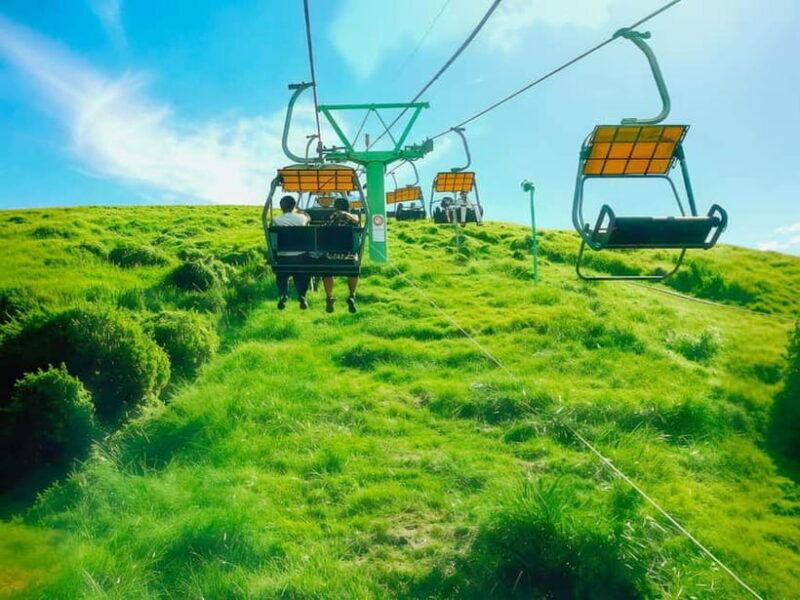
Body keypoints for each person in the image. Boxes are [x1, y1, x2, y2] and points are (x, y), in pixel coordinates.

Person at [272, 195, 311, 310]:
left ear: (281, 207)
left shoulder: (275, 220)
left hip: (282, 257)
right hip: (300, 257)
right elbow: (309, 218)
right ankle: (302, 295)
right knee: (303, 274)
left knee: (281, 275)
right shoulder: (301, 218)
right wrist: (300, 211)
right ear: (294, 206)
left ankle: (283, 294)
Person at [322, 197, 360, 314]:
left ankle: (329, 297)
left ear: (336, 207)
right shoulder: (355, 218)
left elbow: (323, 231)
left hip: (331, 257)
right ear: (348, 207)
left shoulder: (332, 217)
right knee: (353, 271)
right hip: (349, 257)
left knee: (327, 272)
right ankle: (352, 295)